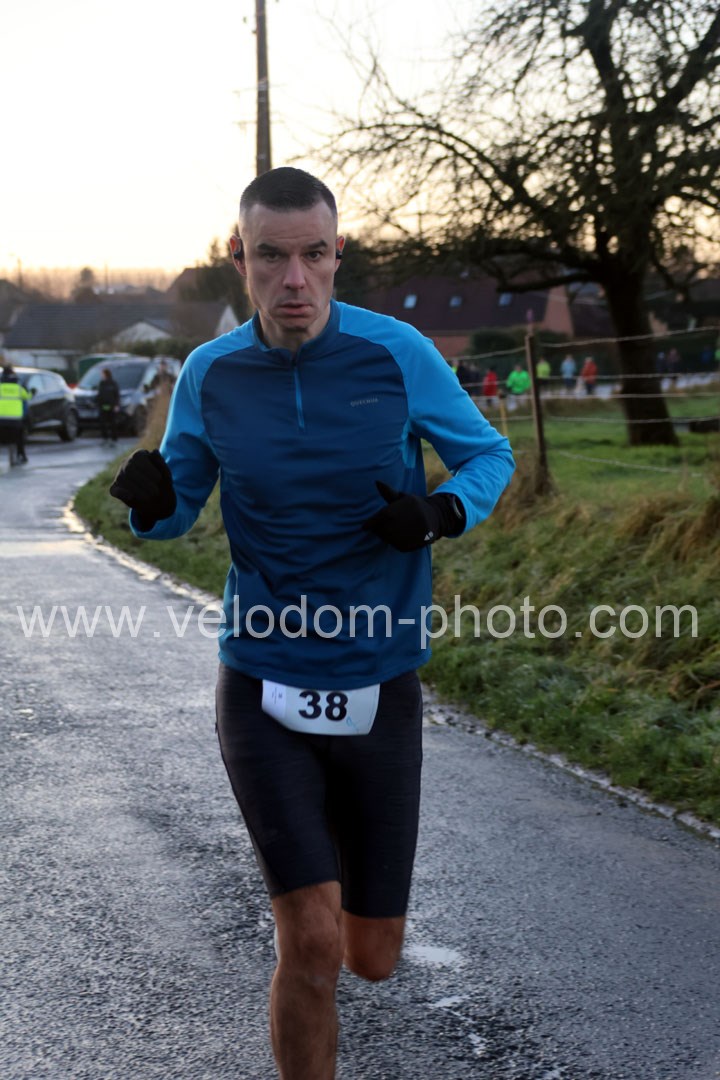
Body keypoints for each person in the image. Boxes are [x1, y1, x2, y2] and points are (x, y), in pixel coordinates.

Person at [109, 167, 514, 1080]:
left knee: (372, 955)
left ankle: (327, 867)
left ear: (338, 255)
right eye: (271, 257)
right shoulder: (211, 373)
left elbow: (490, 455)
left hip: (380, 672)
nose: (294, 279)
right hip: (263, 676)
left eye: (313, 255)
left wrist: (440, 511)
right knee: (312, 940)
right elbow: (176, 507)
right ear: (238, 258)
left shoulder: (398, 353)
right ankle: (308, 885)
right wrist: (152, 507)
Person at [0, 361, 31, 464]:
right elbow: (28, 397)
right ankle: (21, 455)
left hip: (1, 419)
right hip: (15, 420)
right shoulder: (19, 388)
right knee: (19, 437)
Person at [96, 367, 120, 444]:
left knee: (113, 422)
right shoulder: (101, 383)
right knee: (103, 423)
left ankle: (114, 438)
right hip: (103, 406)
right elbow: (99, 394)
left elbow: (117, 395)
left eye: (102, 374)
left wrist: (116, 405)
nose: (101, 375)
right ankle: (105, 437)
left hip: (112, 406)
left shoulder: (113, 383)